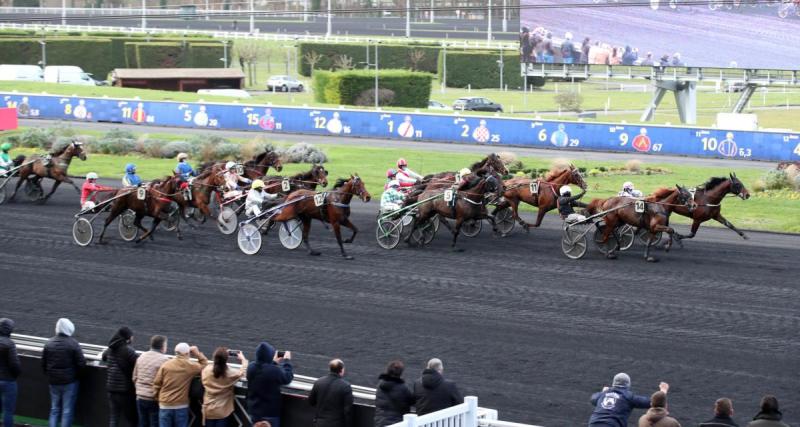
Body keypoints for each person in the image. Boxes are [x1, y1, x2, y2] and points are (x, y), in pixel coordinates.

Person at [42, 318, 86, 427]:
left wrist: (50, 375)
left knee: (54, 409)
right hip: (69, 382)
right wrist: (76, 377)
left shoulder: (49, 343)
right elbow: (81, 364)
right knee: (67, 411)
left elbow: (43, 363)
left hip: (53, 382)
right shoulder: (73, 344)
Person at [153, 343, 208, 427]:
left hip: (165, 404)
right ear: (187, 353)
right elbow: (205, 365)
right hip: (181, 406)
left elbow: (157, 384)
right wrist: (197, 354)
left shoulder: (166, 365)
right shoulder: (190, 366)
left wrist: (158, 399)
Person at [589, 373, 668, 427]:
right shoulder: (629, 397)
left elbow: (593, 398)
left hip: (594, 423)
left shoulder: (603, 394)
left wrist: (603, 392)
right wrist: (663, 391)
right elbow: (651, 403)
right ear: (628, 385)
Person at [246, 342, 294, 427]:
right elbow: (287, 378)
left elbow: (262, 369)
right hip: (270, 413)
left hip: (254, 411)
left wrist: (273, 362)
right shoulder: (274, 370)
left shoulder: (251, 367)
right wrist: (287, 361)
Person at [101, 327, 139, 427]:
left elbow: (104, 357)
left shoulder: (111, 348)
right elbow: (139, 363)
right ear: (128, 338)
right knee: (131, 419)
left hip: (111, 389)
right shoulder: (128, 350)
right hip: (124, 391)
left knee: (114, 418)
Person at [201, 347, 248, 427]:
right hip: (223, 411)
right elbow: (242, 372)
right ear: (226, 360)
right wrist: (243, 360)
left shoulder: (206, 370)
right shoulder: (230, 373)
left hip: (209, 410)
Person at [133, 335, 170, 427]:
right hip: (154, 398)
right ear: (162, 346)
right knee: (155, 423)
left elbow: (134, 377)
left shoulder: (141, 356)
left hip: (140, 397)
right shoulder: (164, 360)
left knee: (142, 423)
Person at [308, 359, 353, 427]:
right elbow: (347, 410)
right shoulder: (346, 386)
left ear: (330, 368)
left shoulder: (318, 382)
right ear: (341, 370)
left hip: (319, 424)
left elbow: (311, 402)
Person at [374, 360, 415, 427]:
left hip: (379, 422)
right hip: (397, 423)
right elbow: (412, 401)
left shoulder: (380, 384)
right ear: (400, 373)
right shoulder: (403, 388)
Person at [0, 318, 21, 427]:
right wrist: (15, 375)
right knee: (8, 411)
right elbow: (15, 365)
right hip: (8, 381)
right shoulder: (9, 344)